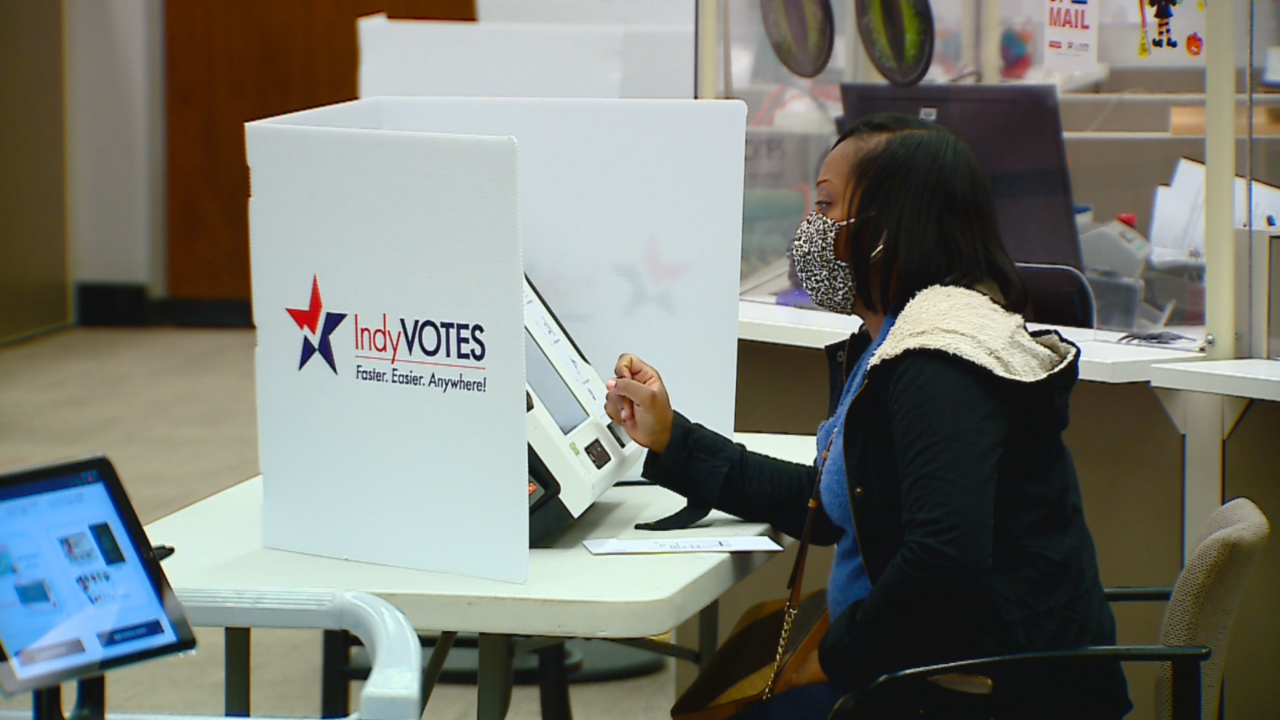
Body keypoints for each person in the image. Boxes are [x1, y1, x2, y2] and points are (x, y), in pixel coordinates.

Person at [602, 115, 1133, 719]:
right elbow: (828, 506)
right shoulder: (894, 339)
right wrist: (673, 439)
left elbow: (943, 560)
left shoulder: (940, 360)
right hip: (923, 658)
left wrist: (833, 657)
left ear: (886, 229)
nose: (810, 229)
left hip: (974, 688)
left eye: (827, 206)